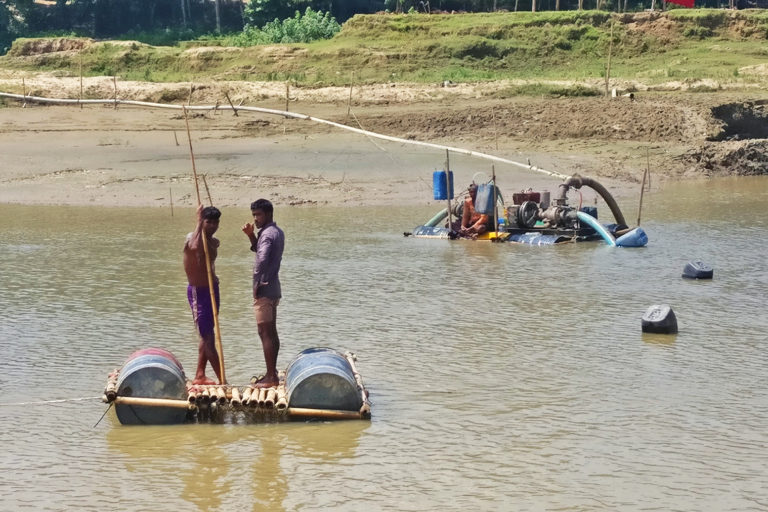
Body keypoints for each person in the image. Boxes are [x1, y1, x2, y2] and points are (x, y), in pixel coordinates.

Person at [242, 199, 285, 389]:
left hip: (265, 289)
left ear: (268, 214)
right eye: (254, 215)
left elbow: (261, 259)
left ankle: (270, 377)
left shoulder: (267, 235)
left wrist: (256, 285)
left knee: (265, 332)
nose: (255, 219)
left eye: (258, 215)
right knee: (271, 331)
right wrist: (251, 236)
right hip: (274, 287)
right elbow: (258, 248)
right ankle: (272, 372)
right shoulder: (276, 232)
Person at [183, 204, 223, 385]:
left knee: (208, 334)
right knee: (207, 338)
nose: (213, 225)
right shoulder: (194, 238)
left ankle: (200, 374)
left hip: (211, 291)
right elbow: (194, 247)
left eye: (216, 222)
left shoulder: (211, 240)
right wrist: (199, 221)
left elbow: (209, 257)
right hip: (199, 293)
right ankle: (223, 381)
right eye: (209, 222)